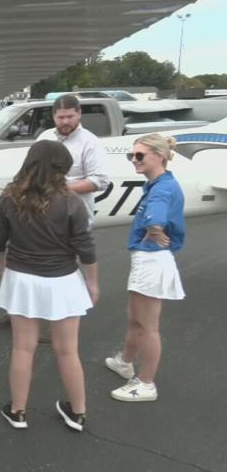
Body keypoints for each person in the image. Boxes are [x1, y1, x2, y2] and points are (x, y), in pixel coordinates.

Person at [0, 140, 98, 432]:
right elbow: (85, 248)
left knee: (23, 348)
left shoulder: (10, 198)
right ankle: (77, 413)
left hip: (22, 279)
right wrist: (92, 282)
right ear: (62, 168)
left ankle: (17, 411)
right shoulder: (71, 202)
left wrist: (2, 265)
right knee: (67, 350)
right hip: (62, 280)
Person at [0, 94, 109, 333]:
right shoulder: (44, 137)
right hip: (35, 211)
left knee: (60, 269)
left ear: (79, 114)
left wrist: (53, 189)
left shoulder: (90, 142)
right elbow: (28, 170)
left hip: (70, 213)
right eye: (60, 117)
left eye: (70, 116)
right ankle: (18, 313)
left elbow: (99, 181)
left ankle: (54, 325)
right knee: (27, 263)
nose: (65, 121)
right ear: (53, 116)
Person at [106, 134, 185, 402]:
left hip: (152, 259)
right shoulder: (158, 184)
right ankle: (125, 361)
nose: (134, 160)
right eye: (132, 155)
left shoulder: (161, 188)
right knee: (135, 317)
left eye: (139, 155)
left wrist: (153, 229)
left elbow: (157, 214)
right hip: (149, 258)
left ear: (159, 156)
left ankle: (146, 383)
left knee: (147, 325)